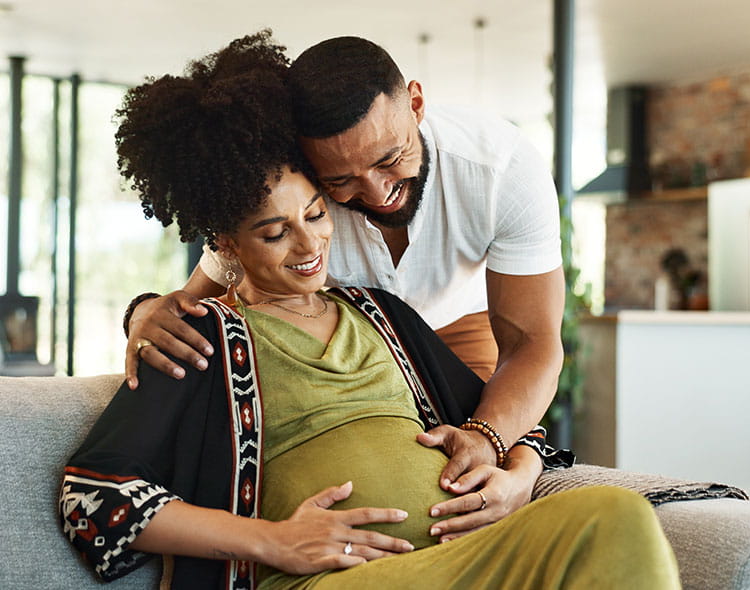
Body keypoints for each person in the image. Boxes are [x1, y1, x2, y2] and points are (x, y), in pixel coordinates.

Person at [60, 31, 680, 590]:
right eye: (276, 233)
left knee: (614, 514)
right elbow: (92, 496)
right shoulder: (206, 337)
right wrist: (272, 541)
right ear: (228, 242)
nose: (310, 244)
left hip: (463, 548)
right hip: (343, 579)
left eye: (316, 216)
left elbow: (522, 369)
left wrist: (514, 468)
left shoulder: (386, 305)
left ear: (415, 104)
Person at [124, 34, 565, 530]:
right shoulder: (292, 187)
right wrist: (144, 311)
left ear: (416, 104)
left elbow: (533, 343)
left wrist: (497, 445)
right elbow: (193, 301)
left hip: (456, 328)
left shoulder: (501, 169)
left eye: (389, 159)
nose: (377, 193)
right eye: (340, 182)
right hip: (363, 339)